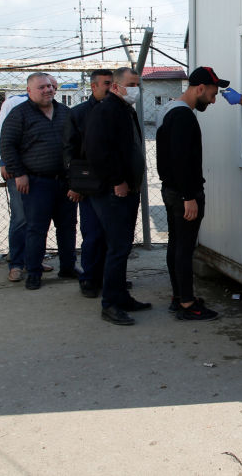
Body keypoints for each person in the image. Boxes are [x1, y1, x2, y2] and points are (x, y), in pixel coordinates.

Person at [84, 67, 151, 325]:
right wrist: (117, 181)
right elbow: (97, 152)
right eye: (131, 84)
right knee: (117, 247)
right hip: (114, 191)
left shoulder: (125, 109)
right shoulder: (106, 110)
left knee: (122, 246)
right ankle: (110, 304)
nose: (136, 89)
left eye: (138, 84)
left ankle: (121, 296)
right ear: (115, 86)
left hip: (128, 188)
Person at [157, 67, 225, 321]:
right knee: (184, 249)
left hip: (171, 190)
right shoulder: (183, 116)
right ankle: (187, 304)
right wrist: (189, 197)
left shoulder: (169, 109)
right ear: (200, 88)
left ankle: (179, 296)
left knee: (176, 245)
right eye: (212, 94)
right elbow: (181, 159)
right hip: (183, 193)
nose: (213, 100)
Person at [0, 73, 78, 290]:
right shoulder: (19, 114)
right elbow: (7, 145)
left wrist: (75, 179)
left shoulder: (65, 113)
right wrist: (19, 173)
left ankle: (68, 267)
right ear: (29, 91)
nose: (47, 90)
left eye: (50, 86)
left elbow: (76, 145)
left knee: (68, 227)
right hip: (36, 183)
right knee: (36, 229)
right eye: (41, 87)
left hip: (64, 182)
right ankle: (34, 272)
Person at [67, 69, 112, 297]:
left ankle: (111, 278)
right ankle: (90, 279)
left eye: (113, 83)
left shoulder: (120, 111)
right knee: (93, 234)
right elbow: (69, 151)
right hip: (89, 187)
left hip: (114, 184)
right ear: (93, 86)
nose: (110, 87)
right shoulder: (78, 113)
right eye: (106, 83)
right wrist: (76, 185)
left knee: (113, 236)